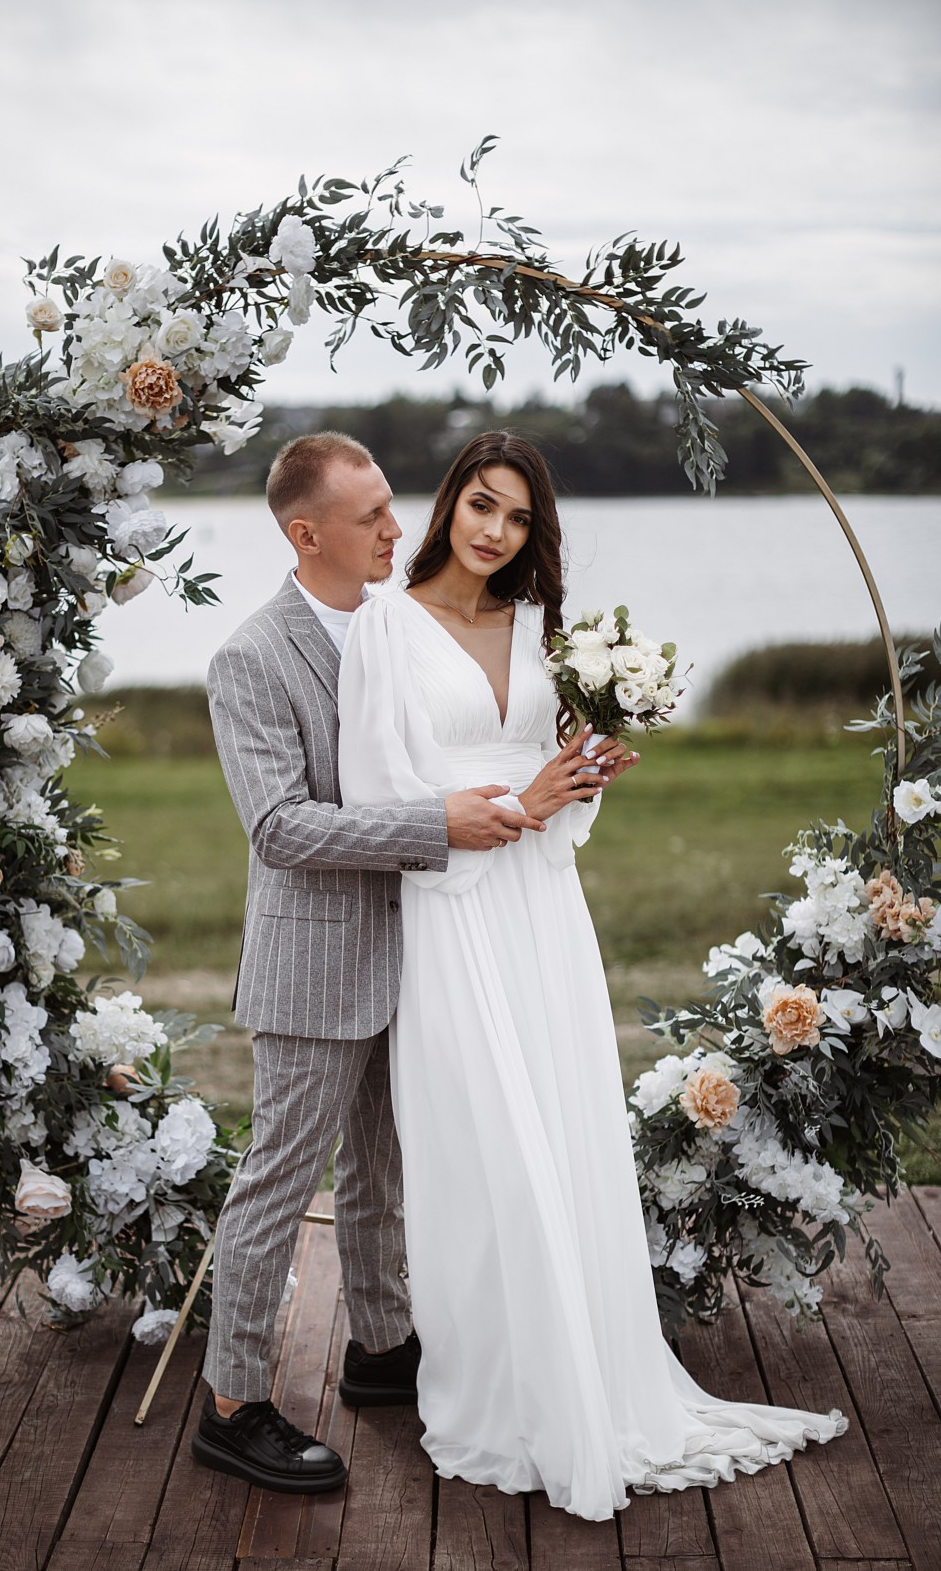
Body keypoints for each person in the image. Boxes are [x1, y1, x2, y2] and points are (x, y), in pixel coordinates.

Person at [336, 431, 849, 1521]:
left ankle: (595, 1375)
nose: (495, 531)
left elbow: (562, 778)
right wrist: (516, 802)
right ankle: (502, 1389)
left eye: (519, 519)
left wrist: (588, 771)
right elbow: (377, 783)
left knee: (565, 1130)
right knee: (485, 1146)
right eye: (482, 504)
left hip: (541, 909)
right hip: (454, 908)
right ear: (447, 505)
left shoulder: (537, 626)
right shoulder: (381, 626)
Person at [192, 432, 623, 1494]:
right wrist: (438, 824)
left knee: (383, 1169)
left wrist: (554, 771)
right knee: (279, 1182)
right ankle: (234, 1402)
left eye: (394, 504)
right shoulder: (253, 657)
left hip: (431, 939)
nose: (399, 526)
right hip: (319, 959)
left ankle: (382, 1351)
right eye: (371, 515)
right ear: (308, 535)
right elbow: (282, 830)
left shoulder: (394, 623)